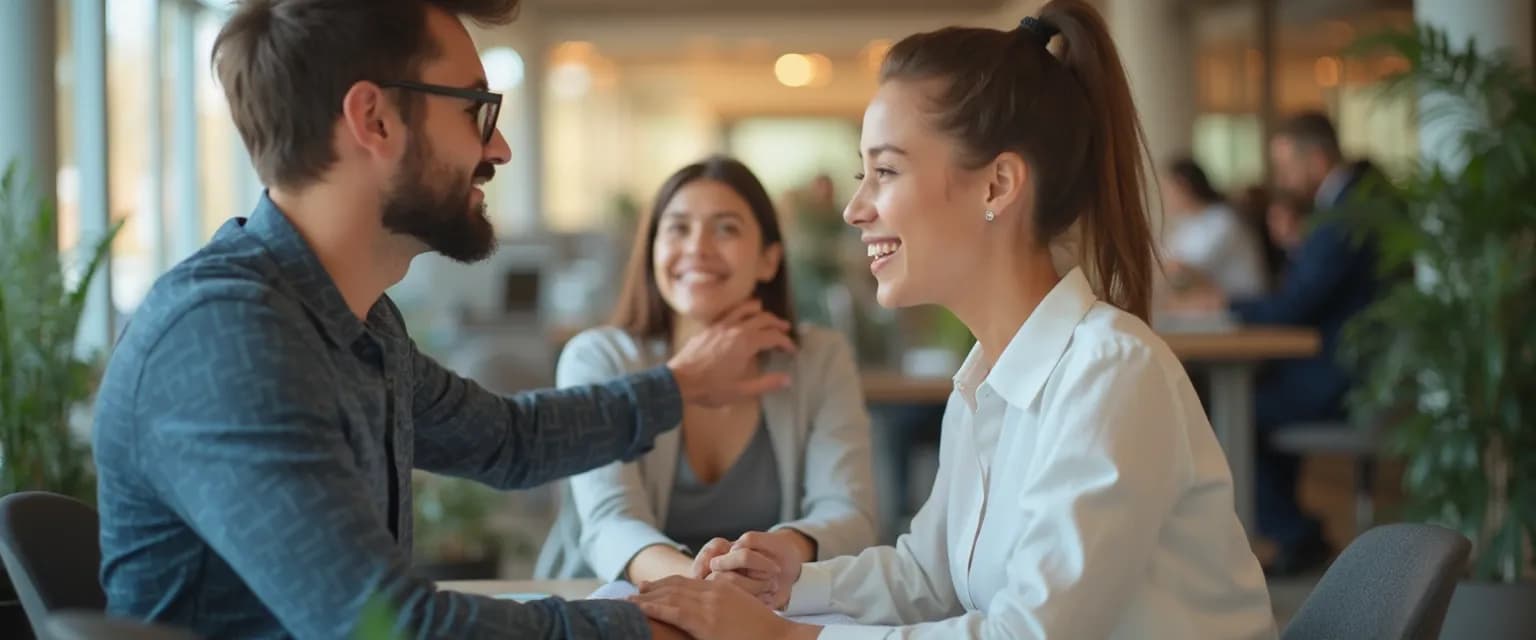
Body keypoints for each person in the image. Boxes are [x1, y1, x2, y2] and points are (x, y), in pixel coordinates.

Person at [89, 2, 790, 639]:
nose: (499, 149)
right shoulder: (226, 338)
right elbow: (384, 628)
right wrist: (653, 628)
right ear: (374, 120)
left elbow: (510, 441)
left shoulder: (353, 321)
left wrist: (680, 383)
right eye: (475, 110)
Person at [624, 2, 1276, 638]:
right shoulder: (983, 383)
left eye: (883, 171)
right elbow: (928, 578)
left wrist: (786, 637)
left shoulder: (1110, 374)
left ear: (996, 187)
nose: (855, 208)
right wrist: (782, 583)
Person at [534, 156, 878, 587]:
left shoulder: (819, 358)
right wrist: (708, 586)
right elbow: (610, 524)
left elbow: (849, 513)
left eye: (726, 228)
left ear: (769, 260)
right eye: (678, 228)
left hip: (766, 608)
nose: (697, 247)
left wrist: (774, 558)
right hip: (612, 610)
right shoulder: (599, 359)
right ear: (654, 250)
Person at [1230, 113, 1381, 576]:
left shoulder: (1346, 211)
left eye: (1286, 166)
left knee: (1239, 408)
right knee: (1254, 396)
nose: (1282, 179)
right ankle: (1294, 534)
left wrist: (1229, 306)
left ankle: (1292, 537)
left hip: (1351, 378)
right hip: (1353, 367)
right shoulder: (1353, 201)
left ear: (1315, 160)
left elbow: (1296, 305)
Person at [1160, 157, 1269, 299]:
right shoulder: (1186, 224)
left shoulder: (1224, 220)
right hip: (1212, 306)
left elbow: (1185, 270)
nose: (1164, 196)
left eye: (1167, 189)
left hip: (1243, 308)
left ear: (1184, 186)